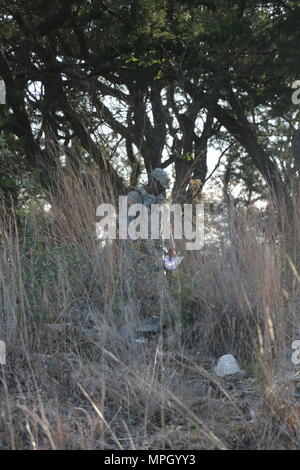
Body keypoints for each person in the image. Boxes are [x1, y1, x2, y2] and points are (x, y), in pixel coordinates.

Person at [123, 168, 176, 319]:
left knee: (159, 288)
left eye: (163, 188)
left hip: (157, 251)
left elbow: (165, 226)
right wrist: (140, 243)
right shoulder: (135, 196)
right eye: (159, 186)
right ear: (152, 180)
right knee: (134, 288)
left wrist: (171, 248)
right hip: (137, 251)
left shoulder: (161, 198)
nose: (161, 190)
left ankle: (157, 320)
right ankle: (133, 321)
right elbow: (127, 225)